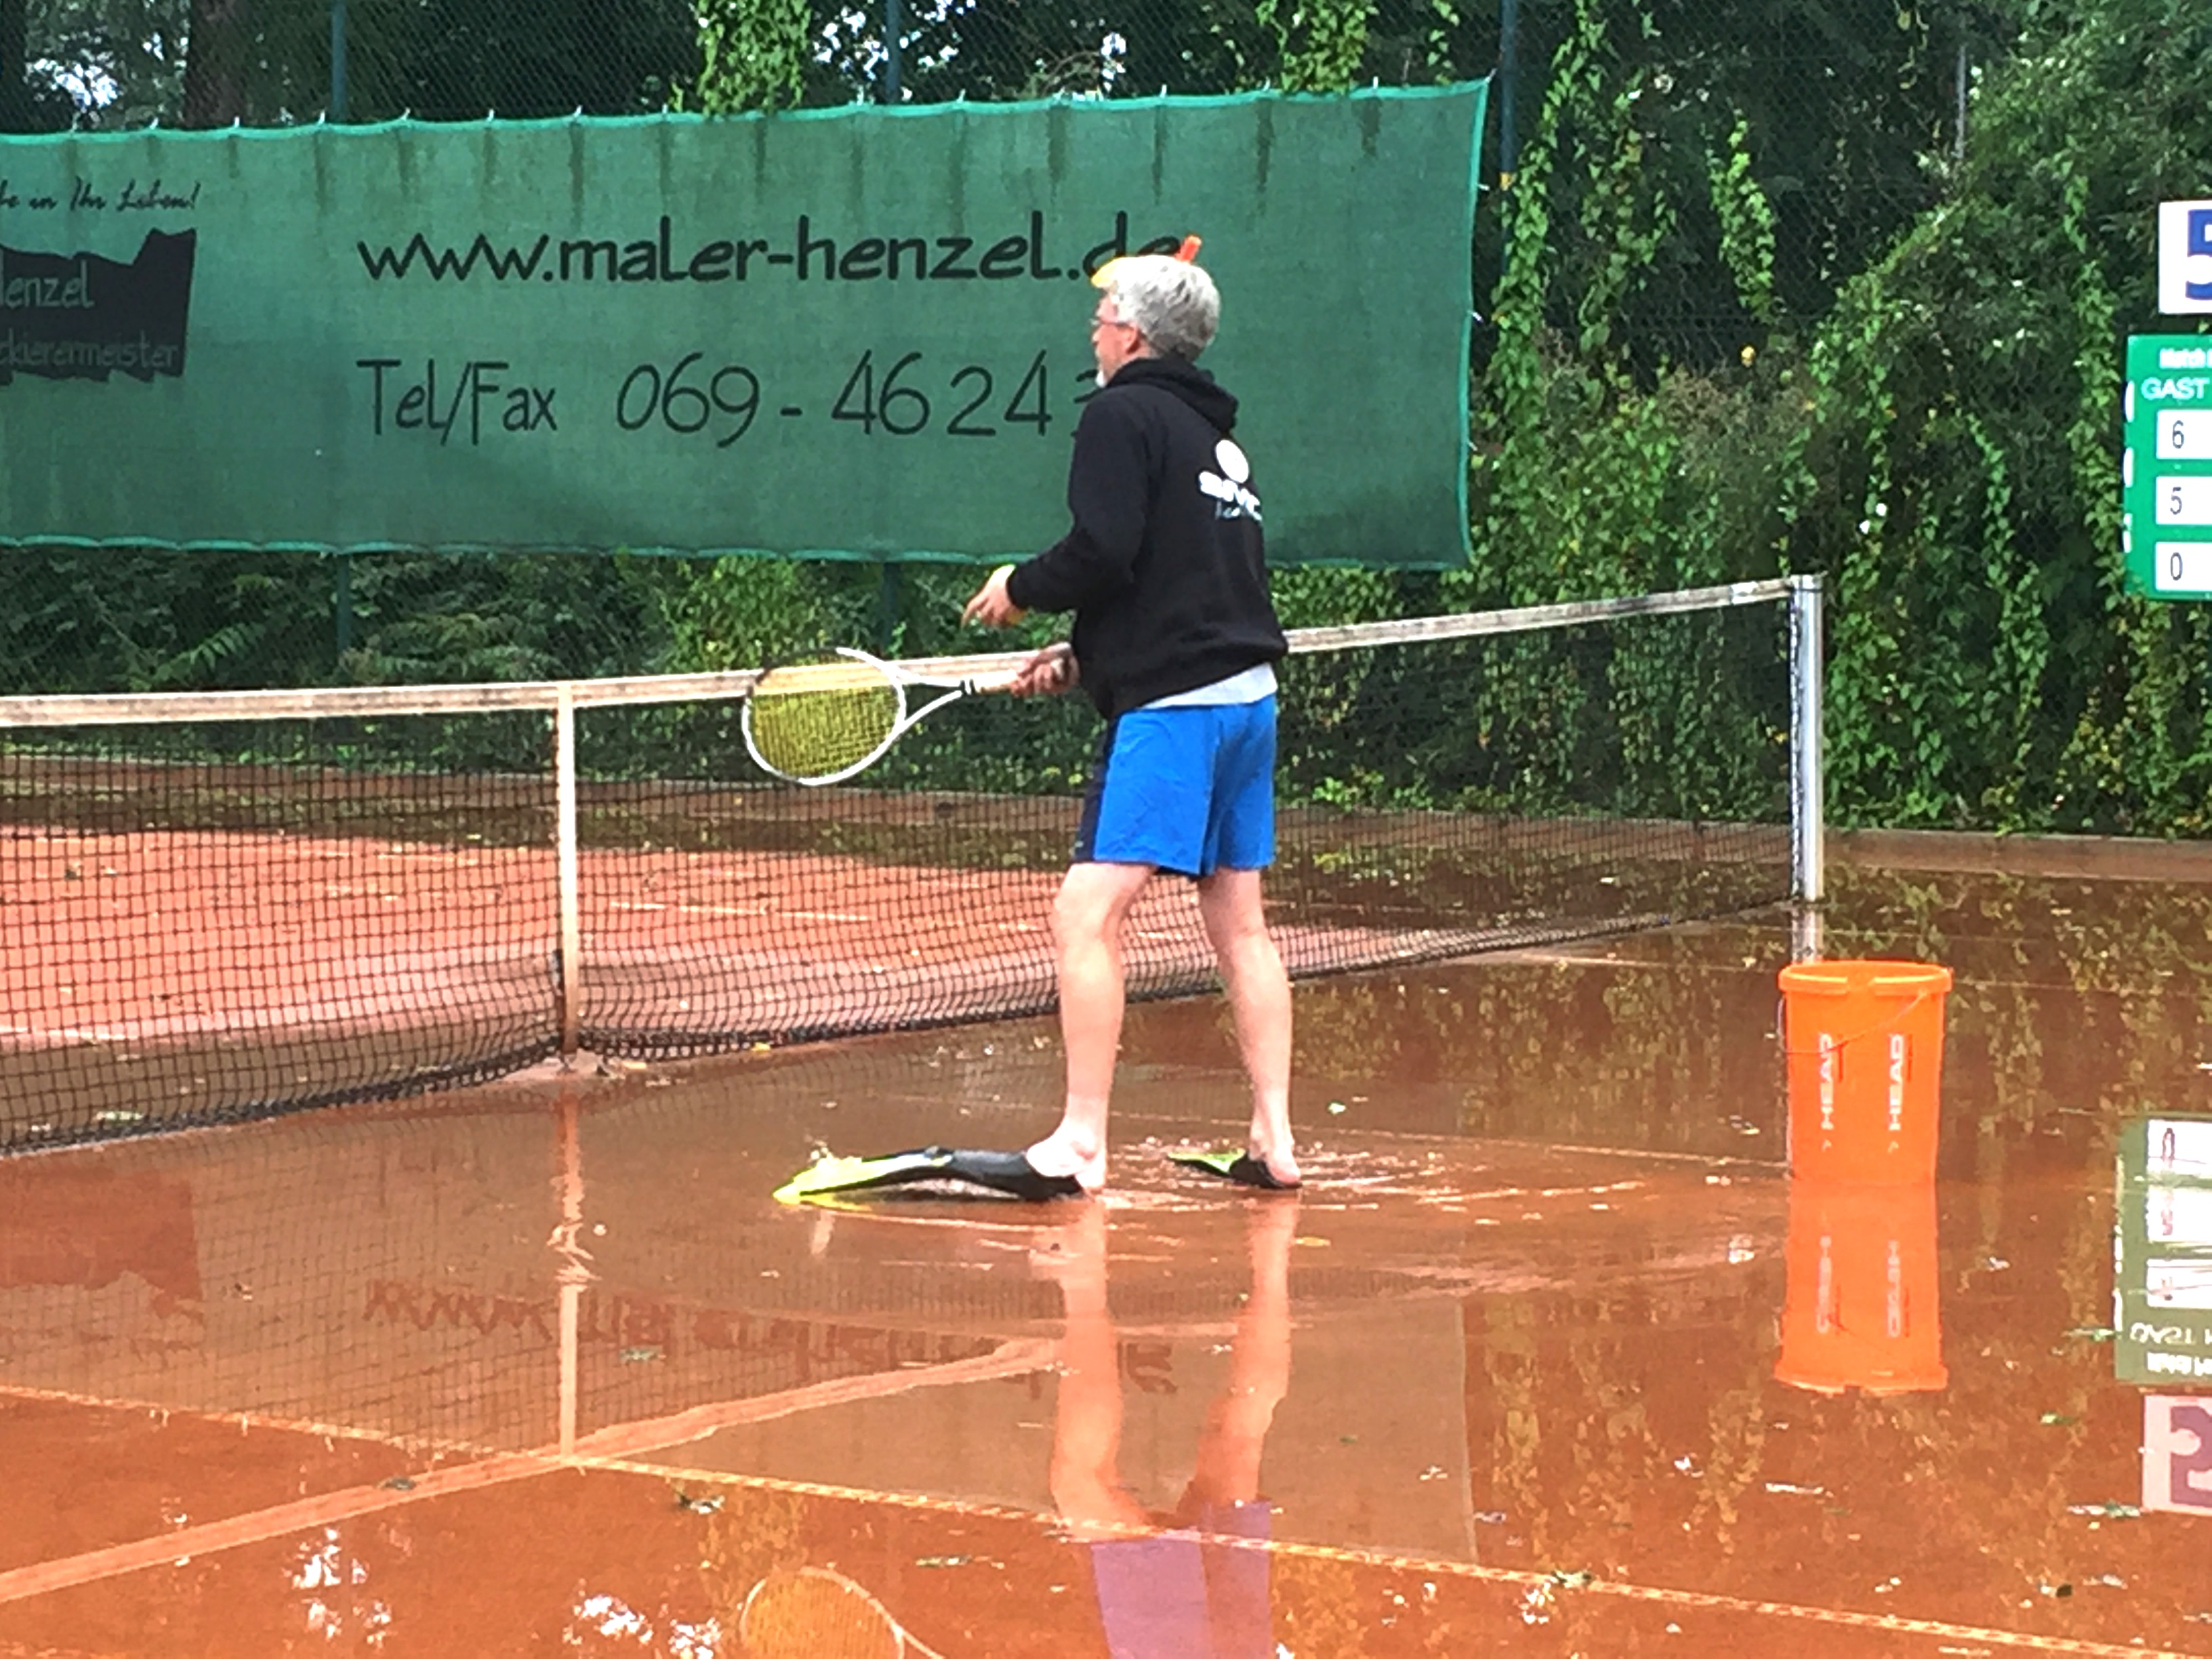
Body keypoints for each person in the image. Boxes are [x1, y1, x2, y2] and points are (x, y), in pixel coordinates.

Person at [961, 246, 1299, 1194]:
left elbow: (1103, 550)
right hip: (1247, 703)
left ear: (1137, 336)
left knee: (1084, 914)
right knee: (1242, 928)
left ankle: (1077, 1143)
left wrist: (1019, 591)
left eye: (1105, 313)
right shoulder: (1213, 439)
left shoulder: (1119, 414)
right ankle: (1275, 1139)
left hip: (1181, 714)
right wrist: (1089, 661)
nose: (1094, 327)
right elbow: (1184, 584)